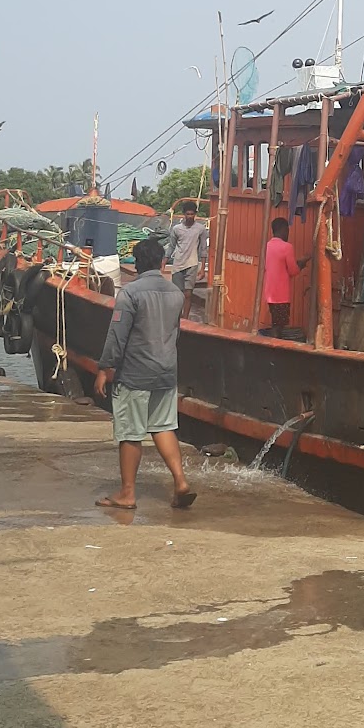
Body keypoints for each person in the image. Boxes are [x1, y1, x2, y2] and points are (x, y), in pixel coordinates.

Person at [94, 236, 196, 510]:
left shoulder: (130, 293)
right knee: (162, 427)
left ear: (136, 265)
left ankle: (127, 494)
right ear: (163, 263)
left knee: (130, 432)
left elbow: (117, 335)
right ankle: (180, 481)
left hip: (136, 372)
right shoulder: (176, 294)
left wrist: (105, 368)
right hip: (166, 371)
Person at [263, 216, 308, 334]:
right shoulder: (287, 247)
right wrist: (302, 263)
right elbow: (293, 270)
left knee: (275, 322)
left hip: (270, 292)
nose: (288, 233)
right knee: (279, 326)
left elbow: (278, 266)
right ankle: (274, 348)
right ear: (283, 230)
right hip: (281, 295)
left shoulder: (267, 246)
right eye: (287, 230)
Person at [165, 200, 208, 319]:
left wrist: (202, 268)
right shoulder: (176, 229)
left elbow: (203, 249)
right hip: (178, 264)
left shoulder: (200, 229)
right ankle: (177, 316)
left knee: (188, 294)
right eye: (188, 214)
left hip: (192, 264)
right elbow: (171, 246)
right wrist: (164, 262)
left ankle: (185, 318)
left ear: (195, 214)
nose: (190, 216)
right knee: (177, 294)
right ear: (184, 214)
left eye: (192, 214)